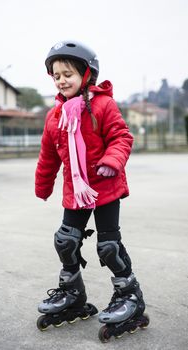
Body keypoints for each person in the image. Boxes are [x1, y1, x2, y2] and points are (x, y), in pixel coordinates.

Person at [35, 40, 146, 330]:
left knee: (108, 246)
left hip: (106, 187)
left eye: (68, 74)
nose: (61, 80)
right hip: (76, 191)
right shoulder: (54, 117)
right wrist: (43, 185)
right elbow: (48, 156)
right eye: (56, 75)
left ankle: (129, 295)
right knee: (65, 241)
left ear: (86, 74)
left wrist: (112, 160)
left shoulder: (103, 105)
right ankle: (72, 293)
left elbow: (122, 136)